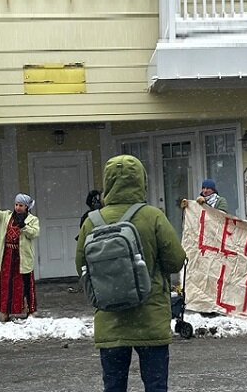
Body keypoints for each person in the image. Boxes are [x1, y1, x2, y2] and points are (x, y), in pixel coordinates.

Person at [75, 154, 186, 392]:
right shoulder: (152, 216)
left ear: (108, 182)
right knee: (156, 385)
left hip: (110, 319)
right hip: (150, 316)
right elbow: (176, 260)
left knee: (114, 386)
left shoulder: (92, 222)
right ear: (141, 181)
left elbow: (81, 267)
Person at [0, 191, 40, 323]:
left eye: (21, 205)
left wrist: (24, 226)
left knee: (24, 284)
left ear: (26, 207)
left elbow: (35, 233)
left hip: (21, 256)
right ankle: (5, 311)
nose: (18, 207)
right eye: (16, 204)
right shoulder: (6, 216)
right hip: (7, 255)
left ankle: (29, 310)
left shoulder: (32, 220)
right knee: (6, 284)